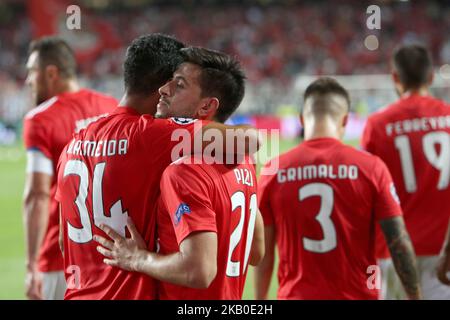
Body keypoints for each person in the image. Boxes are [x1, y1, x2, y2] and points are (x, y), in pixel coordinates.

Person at [55, 35, 260, 300]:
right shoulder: (152, 136)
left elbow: (63, 240)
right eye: (173, 82)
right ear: (162, 84)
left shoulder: (74, 143)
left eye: (180, 85)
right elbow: (248, 140)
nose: (169, 91)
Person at [255, 77, 421, 300]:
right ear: (344, 120)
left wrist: (260, 301)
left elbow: (262, 254)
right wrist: (415, 296)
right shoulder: (371, 168)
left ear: (302, 119)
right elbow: (398, 241)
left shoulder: (272, 171)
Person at [22, 36, 117, 300]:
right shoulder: (111, 107)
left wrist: (32, 266)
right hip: (112, 256)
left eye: (32, 71)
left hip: (62, 257)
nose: (28, 80)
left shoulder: (40, 119)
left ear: (51, 73)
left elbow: (38, 195)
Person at [361, 44, 450, 299]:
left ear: (395, 78)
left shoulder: (377, 125)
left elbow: (366, 193)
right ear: (431, 77)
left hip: (394, 251)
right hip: (444, 249)